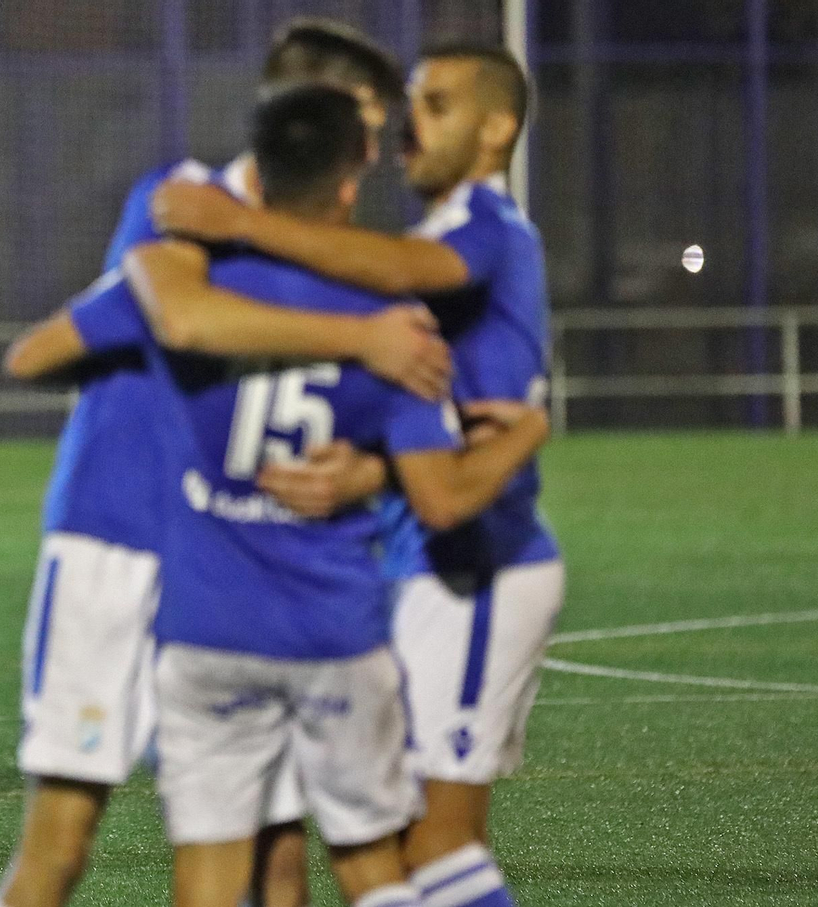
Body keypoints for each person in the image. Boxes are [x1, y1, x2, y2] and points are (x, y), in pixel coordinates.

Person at [0, 19, 448, 907]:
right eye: (367, 120)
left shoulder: (322, 249)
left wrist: (367, 469)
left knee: (275, 851)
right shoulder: (178, 200)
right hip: (118, 537)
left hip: (238, 565)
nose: (376, 152)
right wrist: (363, 338)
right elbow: (182, 318)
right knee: (64, 835)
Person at [122, 85, 548, 907]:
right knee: (371, 861)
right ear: (351, 183)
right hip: (335, 628)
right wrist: (525, 430)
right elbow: (437, 492)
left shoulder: (192, 295)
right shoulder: (393, 323)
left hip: (206, 625)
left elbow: (150, 354)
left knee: (214, 870)